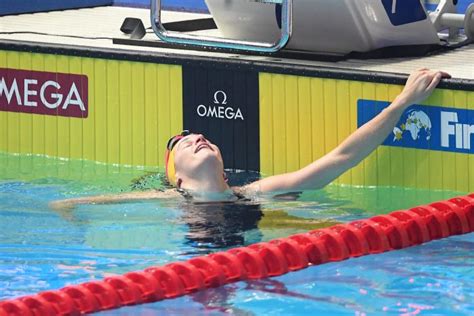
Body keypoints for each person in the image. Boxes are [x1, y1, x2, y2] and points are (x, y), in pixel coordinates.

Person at [49, 68, 450, 208]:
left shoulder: (255, 192)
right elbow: (68, 200)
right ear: (179, 179)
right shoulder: (163, 202)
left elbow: (340, 158)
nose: (199, 138)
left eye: (204, 137)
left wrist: (402, 103)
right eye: (184, 143)